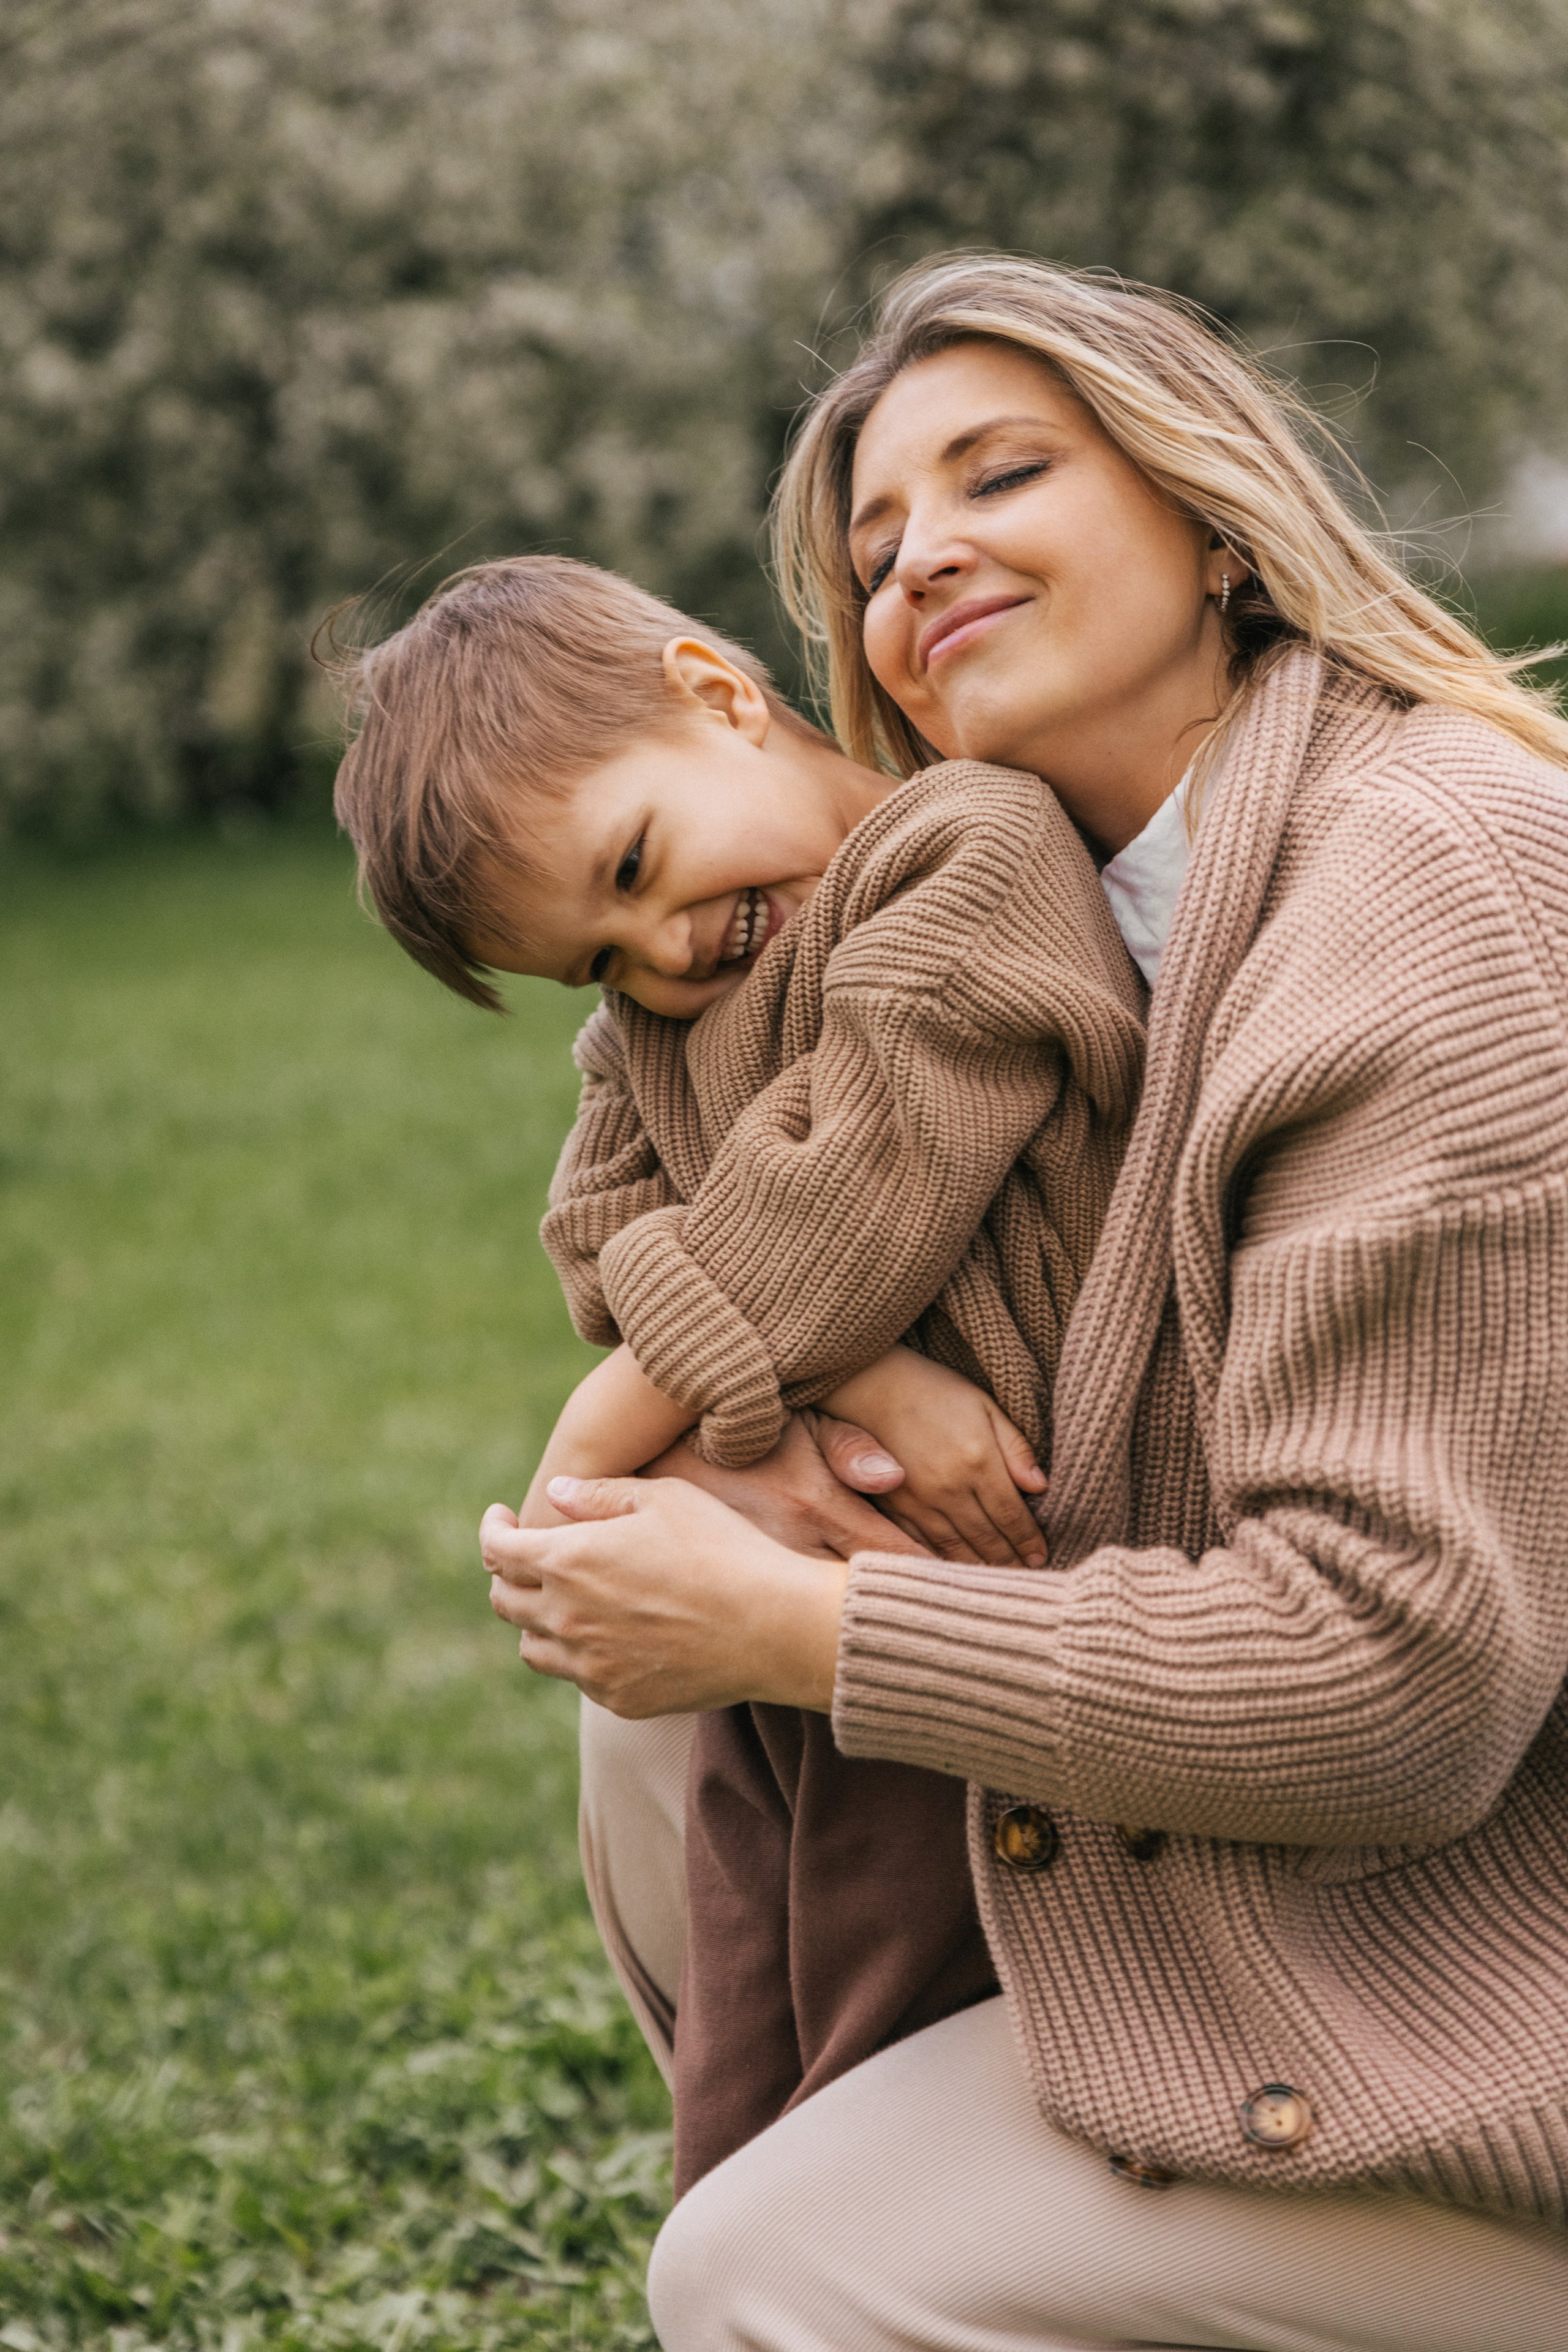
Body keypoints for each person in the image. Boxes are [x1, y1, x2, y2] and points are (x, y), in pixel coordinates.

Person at [482, 255, 1568, 2351]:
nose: (929, 561)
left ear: (1205, 506)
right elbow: (690, 1196)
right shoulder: (1043, 887)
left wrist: (812, 1616)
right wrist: (810, 1415)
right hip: (1314, 1857)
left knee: (767, 2267)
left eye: (1005, 474)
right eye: (880, 548)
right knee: (661, 1701)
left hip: (1493, 1932)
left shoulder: (1431, 893)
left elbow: (1404, 1686)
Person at [330, 551, 1147, 2188]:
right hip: (885, 1548)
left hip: (1060, 1559)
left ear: (717, 693)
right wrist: (872, 1388)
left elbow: (855, 1192)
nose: (664, 954)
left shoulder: (969, 853)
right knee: (782, 1989)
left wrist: (602, 1435)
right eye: (602, 959)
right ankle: (797, 2233)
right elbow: (600, 1226)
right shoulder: (662, 1024)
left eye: (634, 863)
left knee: (954, 2012)